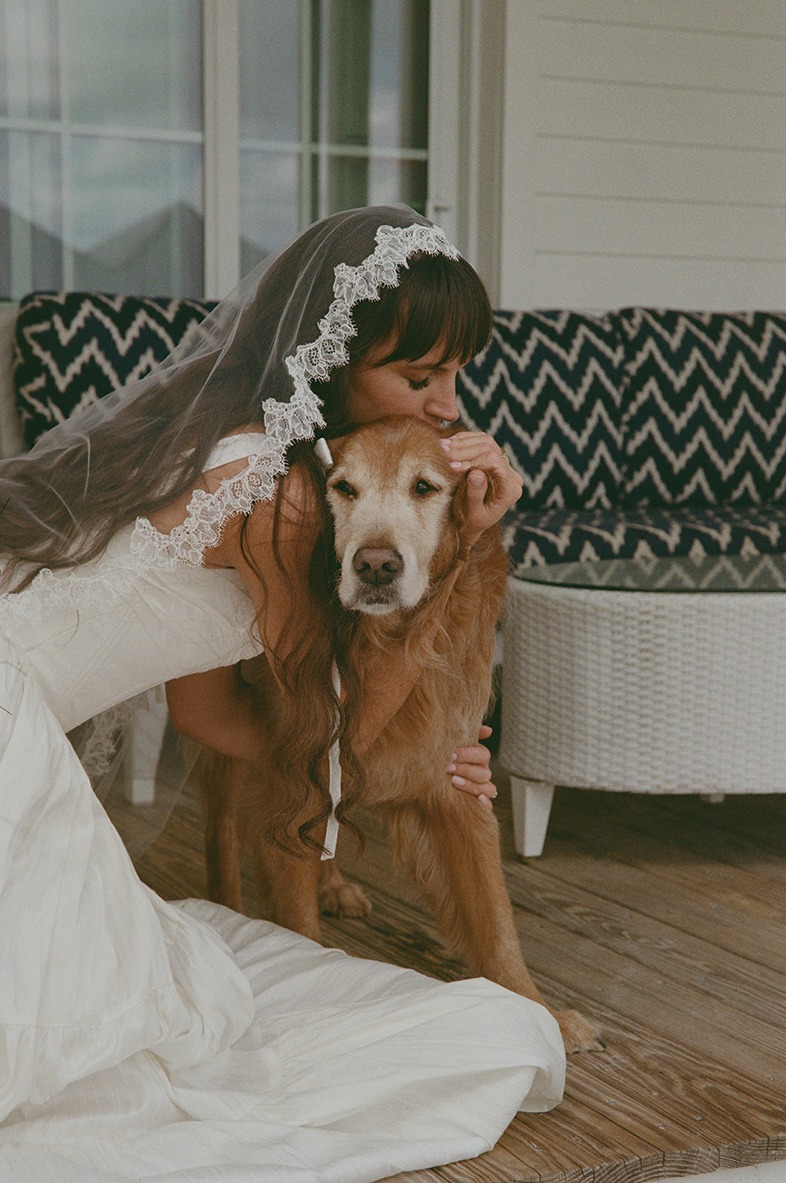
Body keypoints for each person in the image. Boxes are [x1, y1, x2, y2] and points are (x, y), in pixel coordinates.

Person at [0, 206, 564, 1182]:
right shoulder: (283, 496)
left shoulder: (225, 446)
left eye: (459, 377)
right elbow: (338, 749)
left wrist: (431, 756)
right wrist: (462, 539)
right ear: (334, 358)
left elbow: (204, 719)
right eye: (422, 376)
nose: (449, 407)